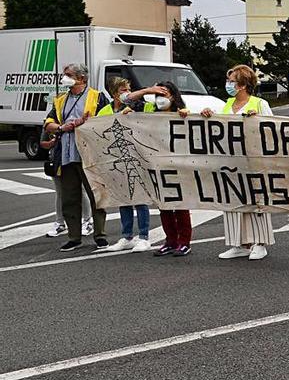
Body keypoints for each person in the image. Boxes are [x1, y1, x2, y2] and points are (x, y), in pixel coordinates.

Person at [197, 65, 275, 261]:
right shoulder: (226, 105)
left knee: (256, 200)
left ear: (242, 85)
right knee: (232, 199)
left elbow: (273, 128)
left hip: (254, 160)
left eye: (232, 81)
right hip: (229, 160)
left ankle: (259, 243)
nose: (228, 85)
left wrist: (255, 121)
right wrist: (208, 114)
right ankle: (238, 243)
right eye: (228, 80)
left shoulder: (259, 103)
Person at [42, 63, 111, 251]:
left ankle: (100, 235)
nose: (64, 77)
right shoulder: (60, 100)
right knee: (69, 197)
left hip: (89, 154)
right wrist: (61, 128)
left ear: (81, 78)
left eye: (68, 74)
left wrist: (85, 124)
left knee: (95, 194)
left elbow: (107, 122)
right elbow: (48, 122)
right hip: (66, 154)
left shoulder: (97, 97)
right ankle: (74, 236)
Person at [97, 77, 157, 253]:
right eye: (124, 90)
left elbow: (154, 115)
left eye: (129, 89)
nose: (128, 93)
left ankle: (144, 236)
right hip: (116, 161)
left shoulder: (139, 105)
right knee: (123, 197)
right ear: (114, 93)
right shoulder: (105, 111)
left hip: (137, 157)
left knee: (140, 197)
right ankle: (127, 236)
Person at [144, 81, 195, 257]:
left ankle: (184, 241)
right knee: (164, 206)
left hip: (179, 166)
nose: (160, 99)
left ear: (173, 96)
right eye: (157, 95)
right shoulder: (150, 114)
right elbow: (128, 101)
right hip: (158, 165)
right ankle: (170, 240)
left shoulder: (181, 114)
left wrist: (186, 115)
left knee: (180, 205)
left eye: (163, 95)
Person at [42, 127, 94, 239]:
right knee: (60, 192)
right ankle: (60, 223)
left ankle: (87, 221)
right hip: (57, 160)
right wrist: (53, 141)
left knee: (81, 190)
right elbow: (43, 143)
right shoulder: (52, 121)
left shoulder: (75, 120)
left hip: (75, 159)